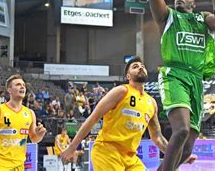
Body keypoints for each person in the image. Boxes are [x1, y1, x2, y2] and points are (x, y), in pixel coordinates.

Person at [134, 0, 215, 170]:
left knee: (188, 145)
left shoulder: (203, 19)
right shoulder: (167, 17)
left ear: (193, 3)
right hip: (174, 75)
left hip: (196, 79)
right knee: (181, 130)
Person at [60, 56, 196, 170]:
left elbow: (158, 138)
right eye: (135, 66)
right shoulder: (121, 91)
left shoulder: (152, 103)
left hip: (130, 157)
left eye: (142, 66)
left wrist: (177, 155)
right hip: (107, 151)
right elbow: (93, 118)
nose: (140, 67)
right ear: (128, 75)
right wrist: (72, 147)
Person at [0, 74, 47, 170]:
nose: (22, 87)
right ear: (9, 90)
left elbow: (34, 139)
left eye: (23, 85)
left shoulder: (30, 113)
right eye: (18, 84)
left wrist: (40, 135)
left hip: (19, 166)